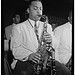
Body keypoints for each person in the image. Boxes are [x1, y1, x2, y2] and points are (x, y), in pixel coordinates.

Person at [11, 0, 71, 75]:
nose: (39, 11)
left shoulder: (47, 26)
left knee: (65, 72)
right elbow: (15, 49)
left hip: (45, 60)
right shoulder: (18, 28)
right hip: (26, 60)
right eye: (35, 8)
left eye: (40, 9)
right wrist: (29, 55)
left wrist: (51, 40)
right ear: (28, 10)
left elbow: (56, 44)